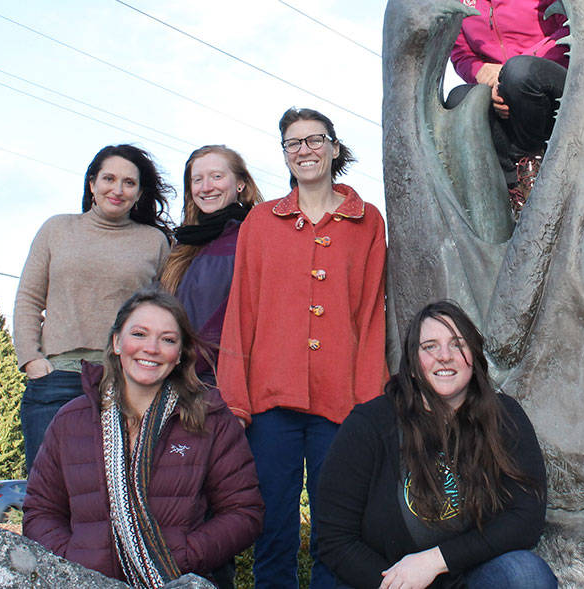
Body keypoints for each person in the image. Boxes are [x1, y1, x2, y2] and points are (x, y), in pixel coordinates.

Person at [218, 107, 388, 589]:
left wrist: (371, 404)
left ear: (334, 148)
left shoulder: (367, 221)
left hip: (343, 404)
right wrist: (236, 399)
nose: (305, 150)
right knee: (273, 527)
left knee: (337, 528)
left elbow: (373, 314)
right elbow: (241, 313)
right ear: (285, 155)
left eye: (315, 140)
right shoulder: (260, 222)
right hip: (270, 402)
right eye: (293, 143)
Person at [24, 290, 263, 588]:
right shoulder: (70, 421)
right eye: (139, 334)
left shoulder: (211, 419)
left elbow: (244, 512)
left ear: (179, 355)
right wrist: (75, 563)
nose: (151, 348)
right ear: (116, 343)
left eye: (168, 339)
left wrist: (182, 558)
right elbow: (40, 512)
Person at [314, 300, 557, 589]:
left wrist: (433, 560)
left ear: (474, 357)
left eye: (457, 344)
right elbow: (334, 538)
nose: (445, 356)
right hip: (387, 581)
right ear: (413, 365)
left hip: (470, 576)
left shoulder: (504, 418)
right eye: (429, 346)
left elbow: (526, 518)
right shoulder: (369, 425)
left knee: (526, 575)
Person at [13, 143, 172, 472]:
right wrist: (31, 359)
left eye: (129, 182)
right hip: (56, 380)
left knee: (116, 494)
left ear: (140, 192)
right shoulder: (57, 229)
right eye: (109, 178)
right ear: (91, 184)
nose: (117, 189)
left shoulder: (155, 242)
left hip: (127, 385)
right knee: (48, 490)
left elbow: (167, 316)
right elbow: (29, 297)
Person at [443, 0, 569, 212]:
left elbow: (568, 26)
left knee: (520, 72)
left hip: (548, 86)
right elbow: (460, 53)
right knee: (459, 98)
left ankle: (532, 162)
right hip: (500, 88)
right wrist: (488, 76)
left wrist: (509, 73)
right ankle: (508, 190)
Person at [160, 145, 264, 377]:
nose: (206, 187)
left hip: (223, 377)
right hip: (174, 375)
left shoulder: (252, 239)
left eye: (217, 176)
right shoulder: (182, 246)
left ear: (240, 184)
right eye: (197, 179)